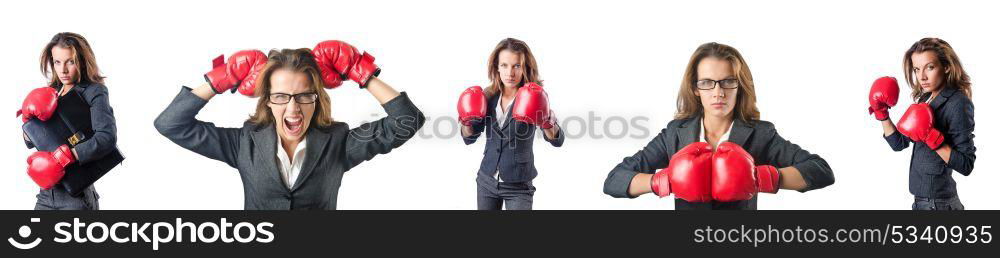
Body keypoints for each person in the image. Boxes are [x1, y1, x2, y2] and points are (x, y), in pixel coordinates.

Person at [154, 41, 424, 210]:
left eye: (304, 96)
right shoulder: (243, 143)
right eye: (281, 96)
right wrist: (221, 78)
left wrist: (360, 71)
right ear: (268, 101)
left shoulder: (338, 142)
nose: (293, 108)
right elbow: (171, 124)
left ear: (316, 99)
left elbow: (408, 121)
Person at [603, 42, 834, 210]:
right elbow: (614, 180)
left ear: (739, 86)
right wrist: (665, 181)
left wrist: (761, 178)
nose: (718, 92)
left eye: (728, 81)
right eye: (707, 83)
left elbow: (821, 171)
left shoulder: (760, 134)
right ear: (695, 88)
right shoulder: (675, 133)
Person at [870, 38, 976, 210]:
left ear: (946, 67)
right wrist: (882, 113)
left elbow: (966, 164)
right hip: (921, 200)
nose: (922, 77)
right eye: (917, 69)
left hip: (938, 204)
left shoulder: (958, 103)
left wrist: (931, 137)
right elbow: (899, 144)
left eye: (930, 67)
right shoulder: (925, 99)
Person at [458, 38, 564, 210]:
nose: (510, 73)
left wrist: (547, 122)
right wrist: (466, 120)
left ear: (525, 68)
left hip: (519, 185)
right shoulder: (487, 97)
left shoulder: (533, 97)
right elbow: (468, 137)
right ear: (497, 67)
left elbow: (557, 141)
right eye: (505, 65)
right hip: (486, 180)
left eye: (516, 66)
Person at [20, 32, 116, 210]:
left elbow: (107, 138)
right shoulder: (51, 92)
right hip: (46, 194)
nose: (63, 70)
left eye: (70, 62)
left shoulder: (94, 92)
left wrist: (66, 156)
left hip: (76, 196)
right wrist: (27, 122)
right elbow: (34, 141)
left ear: (81, 60)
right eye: (57, 62)